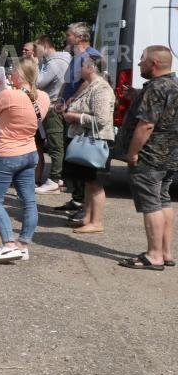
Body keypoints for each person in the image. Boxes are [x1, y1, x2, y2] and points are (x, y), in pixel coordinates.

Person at [0, 57, 50, 264]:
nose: (10, 74)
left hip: (7, 153)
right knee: (29, 201)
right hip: (30, 153)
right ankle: (23, 245)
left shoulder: (9, 95)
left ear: (20, 75)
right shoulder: (44, 97)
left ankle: (9, 244)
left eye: (13, 71)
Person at [119, 46, 178, 270]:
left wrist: (133, 153)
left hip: (150, 157)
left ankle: (154, 255)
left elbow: (147, 125)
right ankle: (165, 252)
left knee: (151, 204)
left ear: (153, 63)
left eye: (142, 60)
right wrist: (136, 95)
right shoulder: (173, 84)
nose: (139, 63)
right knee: (163, 200)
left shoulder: (156, 88)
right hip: (170, 156)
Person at [61, 54, 114, 234]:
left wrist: (74, 117)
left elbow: (101, 119)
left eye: (82, 66)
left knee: (95, 183)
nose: (79, 69)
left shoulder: (101, 88)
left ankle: (96, 222)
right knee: (88, 182)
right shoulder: (90, 86)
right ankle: (87, 217)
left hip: (96, 142)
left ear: (91, 68)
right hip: (86, 140)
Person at [58, 22, 101, 214]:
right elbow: (67, 81)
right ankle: (76, 199)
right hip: (68, 109)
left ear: (80, 37)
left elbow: (88, 81)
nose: (67, 37)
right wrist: (60, 100)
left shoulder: (91, 55)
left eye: (69, 34)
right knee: (70, 156)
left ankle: (84, 203)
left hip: (80, 112)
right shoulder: (76, 57)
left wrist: (71, 100)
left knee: (79, 157)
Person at [34, 34, 71, 194]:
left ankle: (55, 179)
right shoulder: (60, 60)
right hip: (57, 105)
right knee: (59, 143)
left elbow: (38, 82)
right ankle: (60, 178)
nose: (35, 51)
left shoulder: (54, 62)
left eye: (36, 47)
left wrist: (35, 65)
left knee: (56, 144)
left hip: (53, 107)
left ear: (44, 45)